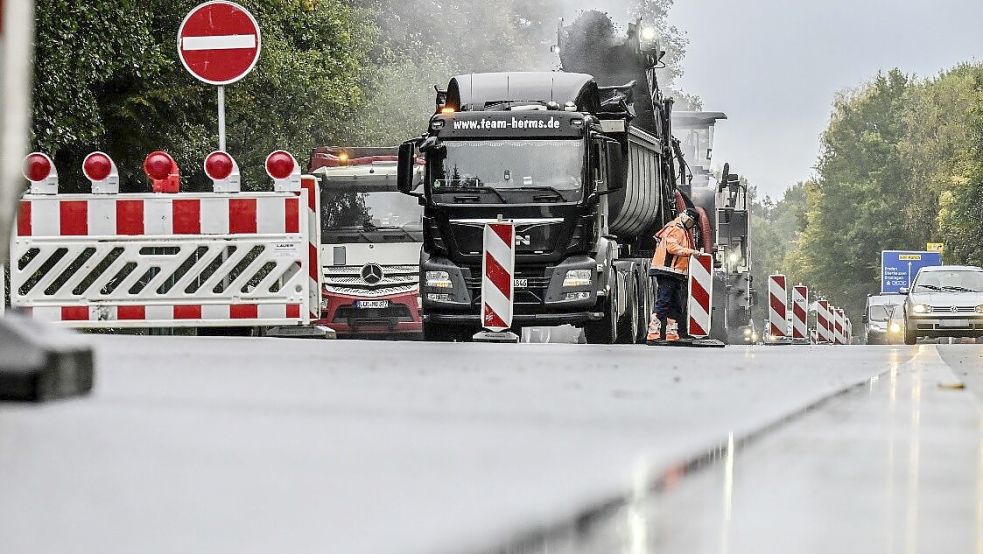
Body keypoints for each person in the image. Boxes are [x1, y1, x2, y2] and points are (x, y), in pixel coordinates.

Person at [647, 208, 700, 342]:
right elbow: (672, 248)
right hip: (667, 271)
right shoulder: (676, 228)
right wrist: (691, 252)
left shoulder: (681, 229)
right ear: (686, 218)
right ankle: (653, 333)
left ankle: (671, 333)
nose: (691, 226)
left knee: (675, 304)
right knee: (664, 301)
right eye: (690, 222)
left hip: (674, 273)